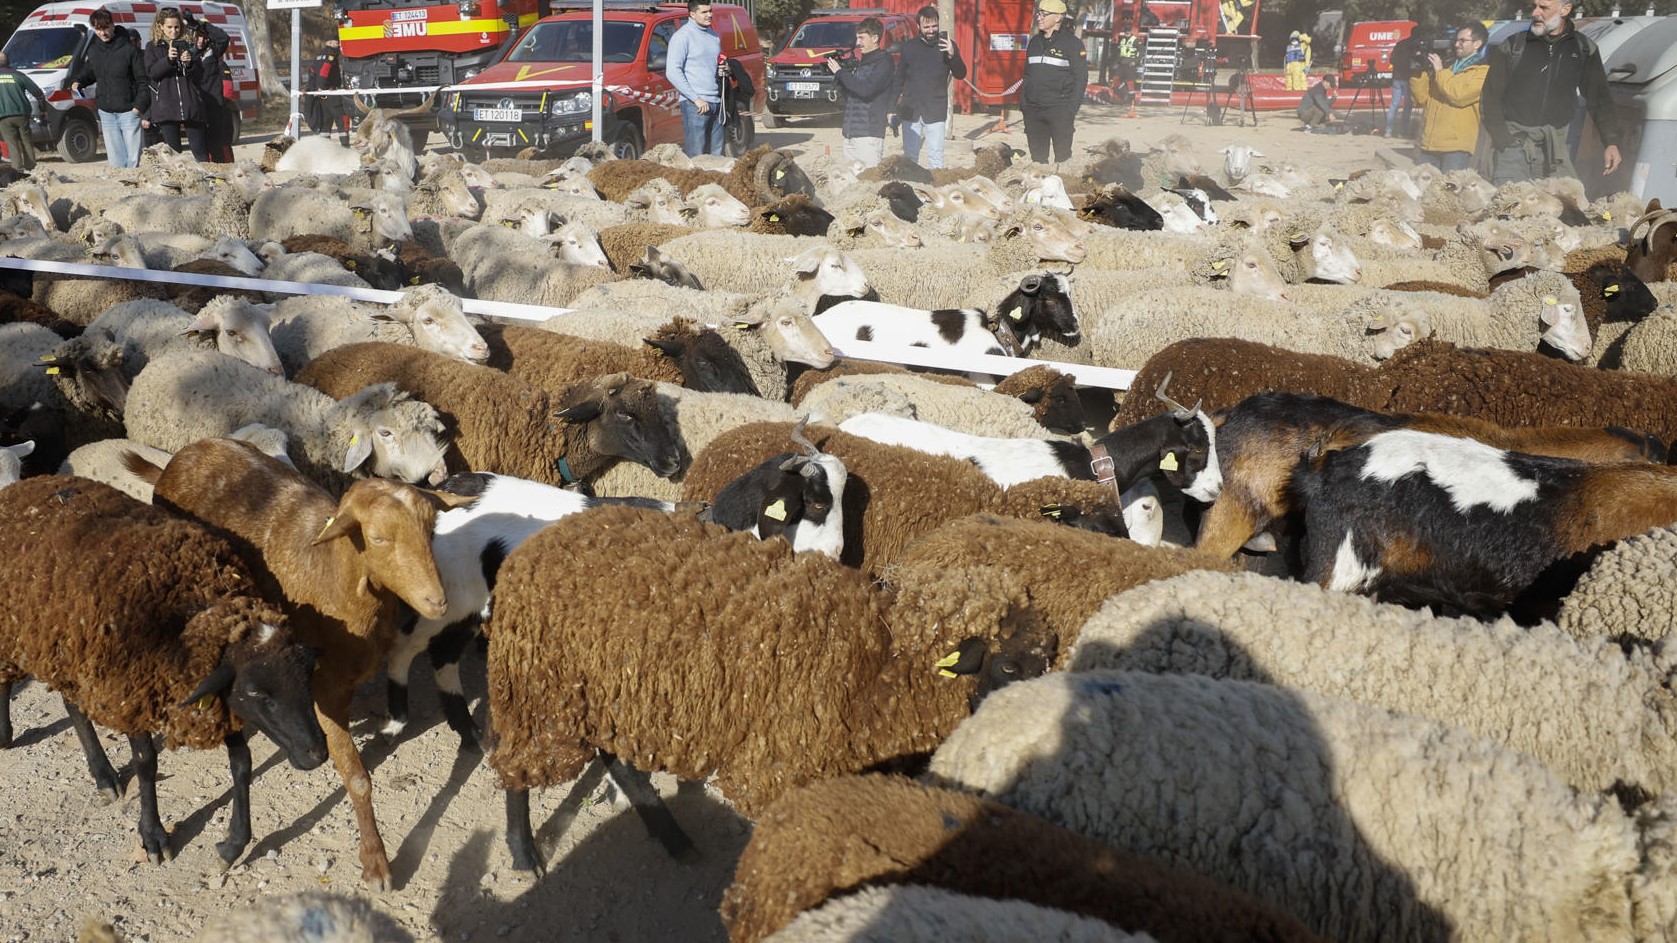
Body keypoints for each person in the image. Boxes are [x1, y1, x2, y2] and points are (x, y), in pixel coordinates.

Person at [1481, 0, 1621, 184]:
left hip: (1556, 147)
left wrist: (1610, 141)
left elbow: (1600, 98)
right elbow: (1489, 97)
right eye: (1534, 6)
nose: (1535, 13)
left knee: (1558, 207)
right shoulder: (1513, 46)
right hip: (1514, 145)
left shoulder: (1583, 49)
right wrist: (1503, 140)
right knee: (1510, 206)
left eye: (1544, 7)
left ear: (1565, 9)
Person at [69, 7, 151, 169]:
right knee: (116, 162)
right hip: (106, 112)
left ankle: (138, 191)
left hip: (129, 111)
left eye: (105, 28)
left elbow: (143, 81)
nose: (102, 33)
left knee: (134, 161)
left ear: (113, 25)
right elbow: (89, 71)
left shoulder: (130, 50)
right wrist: (78, 81)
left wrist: (138, 107)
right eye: (97, 29)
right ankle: (123, 192)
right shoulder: (94, 51)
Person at [1409, 22, 1489, 171]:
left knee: (1450, 193)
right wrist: (1417, 73)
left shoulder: (1482, 72)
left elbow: (1458, 96)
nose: (1457, 44)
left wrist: (1439, 71)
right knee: (1422, 192)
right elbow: (1421, 99)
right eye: (1455, 40)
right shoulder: (1446, 69)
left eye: (1462, 41)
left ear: (1477, 44)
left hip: (1456, 148)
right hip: (1429, 145)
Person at [896, 5, 965, 169]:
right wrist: (892, 107)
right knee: (910, 158)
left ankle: (935, 193)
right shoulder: (909, 47)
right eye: (927, 26)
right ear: (918, 26)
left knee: (936, 158)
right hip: (910, 110)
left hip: (935, 110)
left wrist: (952, 54)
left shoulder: (948, 45)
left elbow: (961, 74)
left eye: (934, 26)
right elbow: (898, 78)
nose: (931, 30)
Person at [1020, 0, 1087, 165]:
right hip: (1033, 111)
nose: (1039, 17)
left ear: (1058, 17)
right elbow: (1027, 75)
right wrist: (1024, 104)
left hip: (1060, 111)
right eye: (1039, 13)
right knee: (1037, 161)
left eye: (1044, 14)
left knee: (1062, 161)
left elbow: (1081, 79)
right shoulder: (1034, 42)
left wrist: (1070, 110)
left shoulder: (1072, 44)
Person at [827, 16, 894, 169]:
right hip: (851, 132)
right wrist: (839, 80)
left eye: (862, 38)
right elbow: (852, 93)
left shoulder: (884, 61)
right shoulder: (860, 62)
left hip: (869, 134)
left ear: (875, 38)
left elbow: (865, 89)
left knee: (869, 184)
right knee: (852, 186)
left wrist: (840, 73)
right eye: (857, 38)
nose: (858, 43)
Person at [143, 7, 209, 161]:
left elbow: (200, 76)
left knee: (200, 151)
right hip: (166, 106)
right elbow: (152, 73)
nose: (174, 31)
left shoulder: (189, 45)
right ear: (160, 26)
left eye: (177, 27)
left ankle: (207, 180)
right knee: (174, 154)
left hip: (190, 104)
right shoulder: (152, 47)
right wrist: (168, 60)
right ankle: (179, 182)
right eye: (170, 27)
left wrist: (190, 63)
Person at [667, 0, 728, 157]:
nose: (710, 15)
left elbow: (713, 66)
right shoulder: (682, 37)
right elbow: (672, 72)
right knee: (697, 157)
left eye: (710, 11)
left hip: (716, 103)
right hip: (696, 106)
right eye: (704, 12)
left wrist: (724, 70)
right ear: (692, 15)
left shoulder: (714, 36)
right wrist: (696, 99)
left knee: (717, 156)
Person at [190, 15, 232, 162]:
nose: (201, 40)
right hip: (196, 106)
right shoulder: (189, 53)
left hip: (214, 106)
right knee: (199, 147)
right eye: (198, 37)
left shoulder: (214, 52)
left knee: (215, 145)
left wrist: (202, 25)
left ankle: (220, 178)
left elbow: (224, 38)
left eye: (204, 37)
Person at [0, 52, 47, 172]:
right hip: (22, 115)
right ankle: (31, 168)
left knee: (12, 143)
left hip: (3, 117)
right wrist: (43, 109)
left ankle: (17, 170)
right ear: (8, 61)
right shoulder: (18, 75)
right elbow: (38, 92)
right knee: (27, 141)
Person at [305, 39, 349, 142]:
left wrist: (316, 89)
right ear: (331, 43)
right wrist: (321, 86)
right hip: (331, 92)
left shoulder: (319, 55)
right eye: (335, 43)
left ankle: (325, 148)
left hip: (321, 95)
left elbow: (312, 71)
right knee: (342, 118)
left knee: (325, 121)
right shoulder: (331, 54)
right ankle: (345, 147)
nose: (337, 45)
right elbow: (324, 70)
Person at [1385, 23, 1424, 138]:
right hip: (1408, 77)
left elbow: (1392, 59)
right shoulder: (1416, 46)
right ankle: (1403, 132)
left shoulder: (1400, 43)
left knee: (1394, 104)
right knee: (1407, 105)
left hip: (1397, 76)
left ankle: (1388, 130)